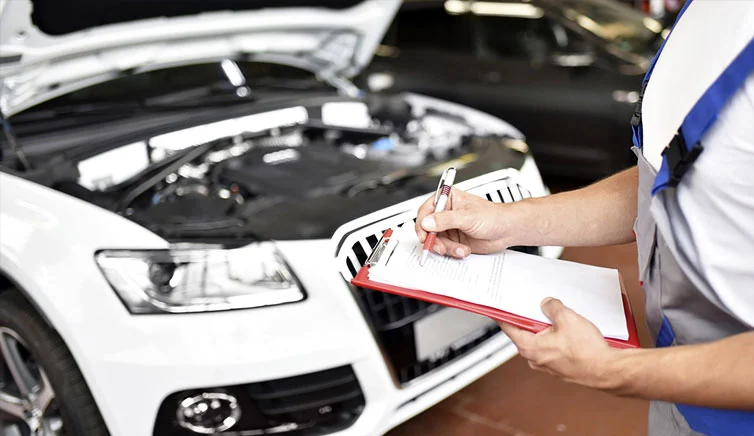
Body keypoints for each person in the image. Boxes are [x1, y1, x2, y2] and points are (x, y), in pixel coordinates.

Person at [414, 1, 754, 435]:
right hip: (679, 389)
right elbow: (673, 182)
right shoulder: (708, 16)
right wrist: (507, 221)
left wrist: (612, 370)